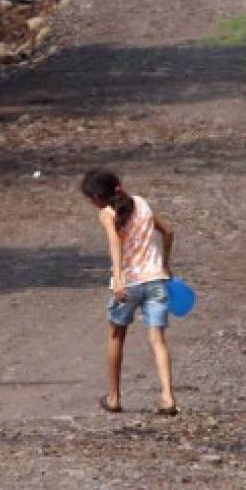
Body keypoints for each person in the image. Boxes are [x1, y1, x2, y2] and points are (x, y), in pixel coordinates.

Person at [80, 169, 178, 416]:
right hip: (156, 279)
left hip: (130, 283)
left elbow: (115, 245)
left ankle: (114, 397)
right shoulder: (143, 204)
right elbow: (168, 231)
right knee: (157, 340)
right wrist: (165, 263)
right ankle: (167, 396)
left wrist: (119, 278)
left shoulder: (107, 214)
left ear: (98, 197)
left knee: (116, 336)